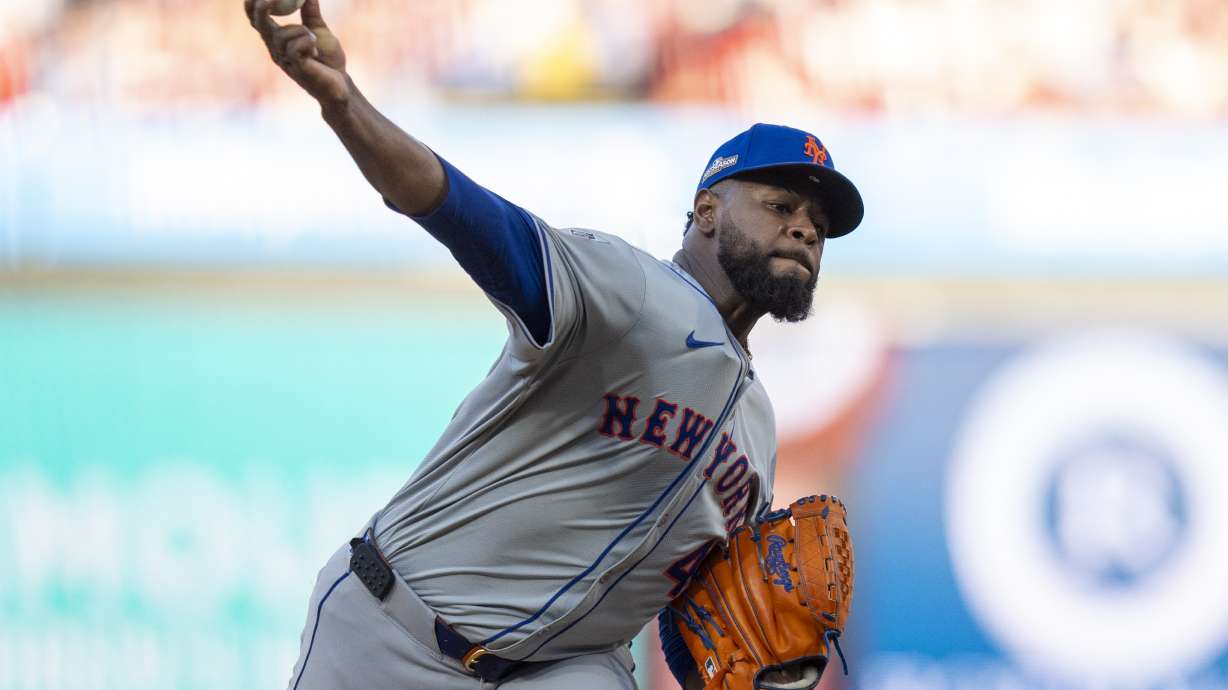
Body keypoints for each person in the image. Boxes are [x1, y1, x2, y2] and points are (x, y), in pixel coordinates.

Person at [243, 1, 864, 688]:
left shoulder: (758, 430)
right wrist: (344, 103)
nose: (806, 230)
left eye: (818, 224)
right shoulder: (628, 290)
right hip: (394, 633)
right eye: (781, 206)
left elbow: (698, 627)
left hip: (562, 672)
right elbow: (461, 210)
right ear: (708, 212)